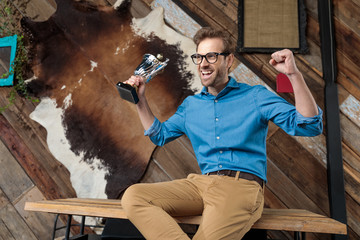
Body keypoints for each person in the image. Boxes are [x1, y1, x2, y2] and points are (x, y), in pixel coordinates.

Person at [121, 27, 323, 240]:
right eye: (199, 57)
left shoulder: (255, 96)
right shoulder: (191, 106)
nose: (203, 64)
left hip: (240, 187)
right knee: (135, 196)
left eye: (211, 56)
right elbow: (159, 135)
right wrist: (140, 99)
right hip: (201, 185)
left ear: (229, 61)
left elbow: (309, 125)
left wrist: (293, 74)